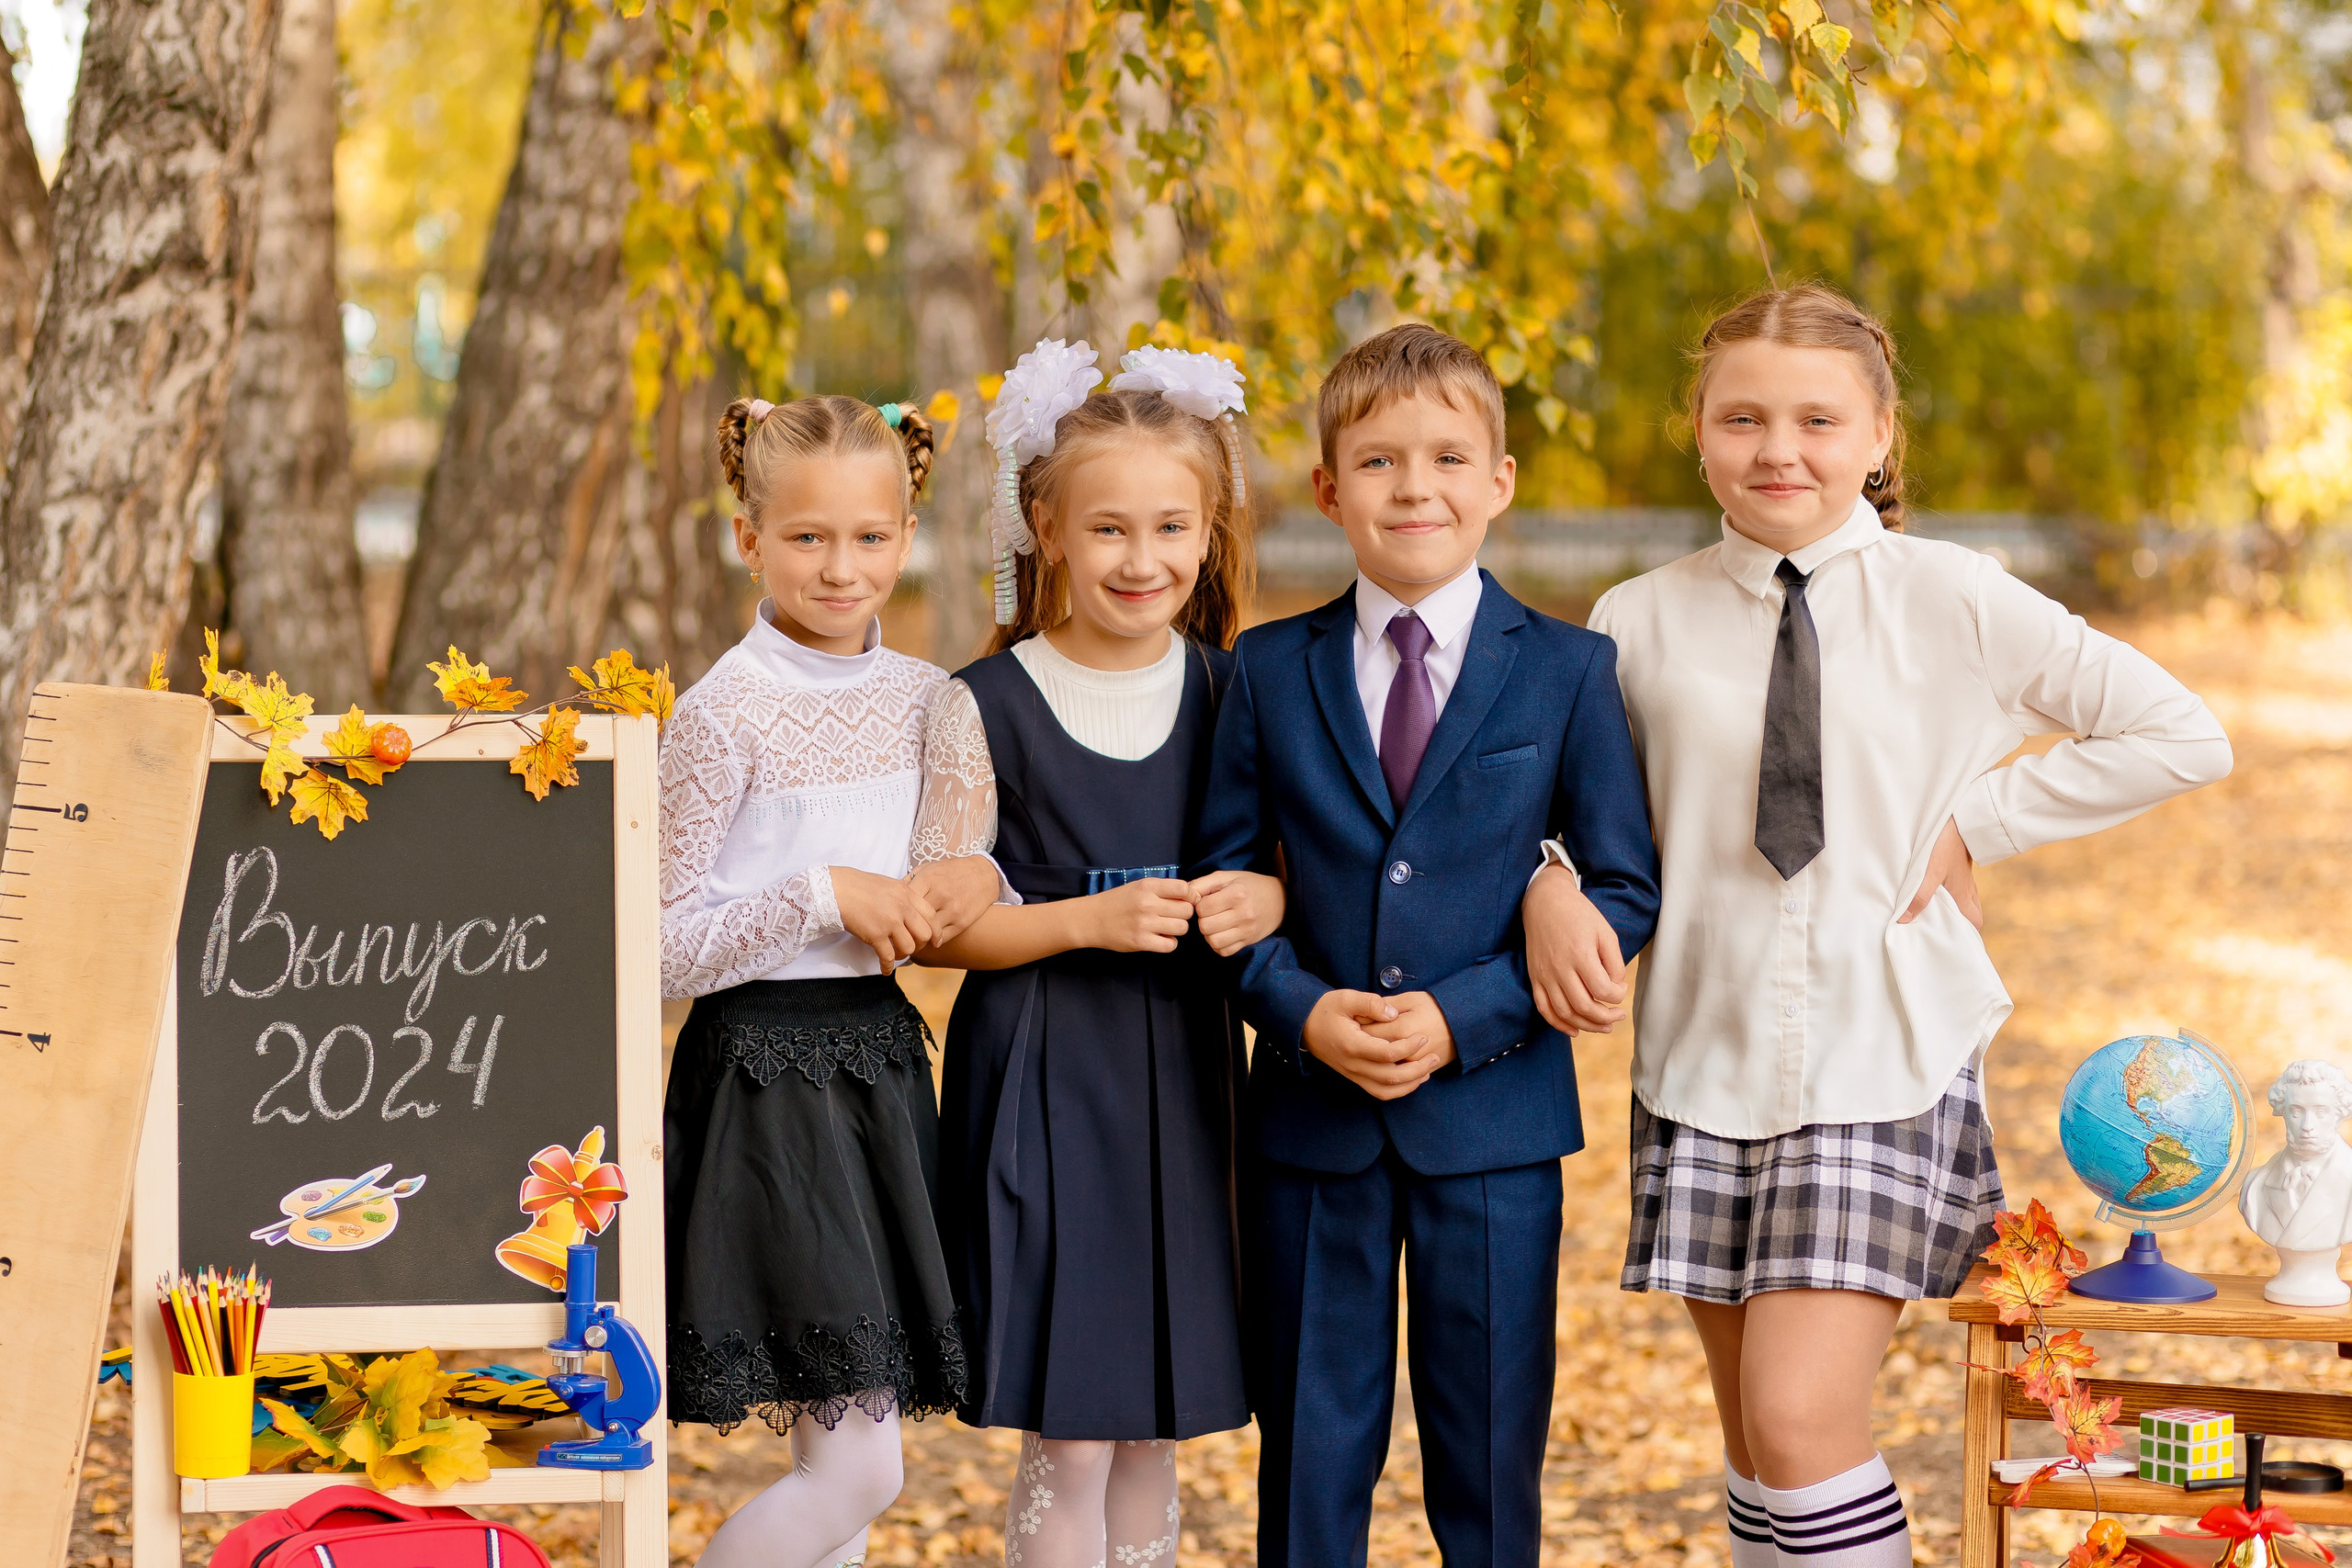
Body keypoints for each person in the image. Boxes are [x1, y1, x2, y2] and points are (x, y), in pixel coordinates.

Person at [1524, 283, 2234, 1568]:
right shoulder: (1637, 617)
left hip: (1883, 1053)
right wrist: (1548, 880)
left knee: (1801, 1419)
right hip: (1701, 1055)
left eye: (1815, 418)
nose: (1777, 447)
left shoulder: (1954, 596)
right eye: (1743, 417)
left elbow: (2182, 729)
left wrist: (1982, 822)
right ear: (1698, 428)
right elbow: (1583, 816)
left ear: (1880, 434)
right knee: (1753, 1438)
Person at [1194, 322, 1662, 1568]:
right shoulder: (1265, 669)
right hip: (1310, 1123)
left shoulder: (1569, 670)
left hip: (1497, 1127)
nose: (1417, 486)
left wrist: (1469, 1011)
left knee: (1490, 1461)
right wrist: (1299, 1008)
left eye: (1450, 455)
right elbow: (1227, 889)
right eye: (1382, 459)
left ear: (1500, 481)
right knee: (1309, 1460)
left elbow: (1622, 887)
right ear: (1328, 489)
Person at [910, 341, 1283, 1568]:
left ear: (1209, 527)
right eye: (1109, 527)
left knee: (1154, 1419)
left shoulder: (1238, 692)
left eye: (1171, 526)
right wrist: (1085, 919)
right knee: (1072, 1425)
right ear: (1047, 525)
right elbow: (947, 918)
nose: (1142, 559)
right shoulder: (981, 700)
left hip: (1182, 1076)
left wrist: (1266, 904)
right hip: (1042, 1074)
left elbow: (1287, 874)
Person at [660, 393, 1005, 1568]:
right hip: (763, 1083)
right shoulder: (719, 715)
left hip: (877, 1072)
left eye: (868, 536)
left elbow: (946, 880)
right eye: (807, 537)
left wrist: (961, 886)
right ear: (750, 538)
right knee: (862, 1465)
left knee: (835, 1463)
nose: (840, 565)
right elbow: (658, 946)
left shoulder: (926, 701)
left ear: (906, 536)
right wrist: (822, 894)